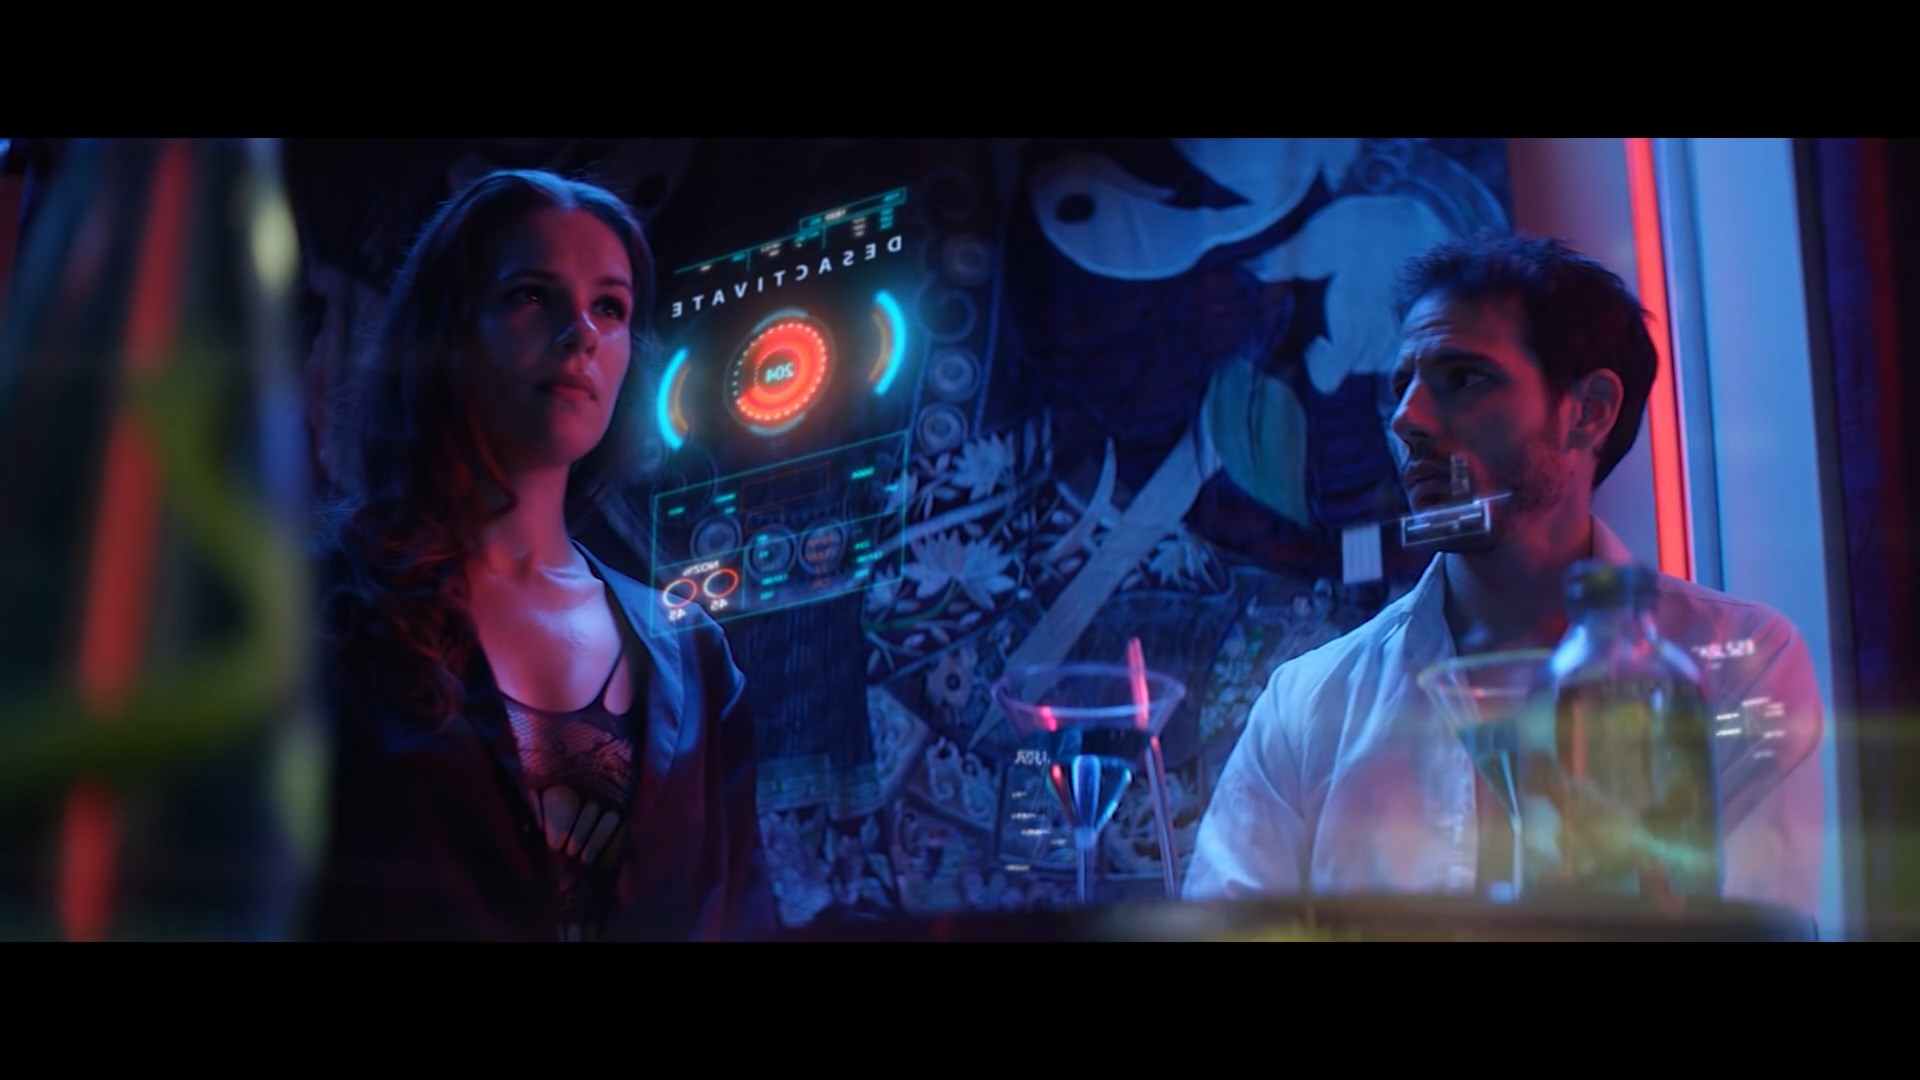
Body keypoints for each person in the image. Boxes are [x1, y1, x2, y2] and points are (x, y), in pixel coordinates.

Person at [1184, 232, 1826, 920]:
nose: (1407, 420)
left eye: (1464, 379)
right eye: (1402, 387)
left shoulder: (1737, 662)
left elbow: (1754, 930)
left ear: (1589, 411)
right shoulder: (1308, 703)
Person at [304, 168, 774, 941]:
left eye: (610, 307)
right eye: (531, 294)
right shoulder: (322, 612)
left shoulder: (696, 658)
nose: (580, 332)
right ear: (450, 329)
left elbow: (739, 917)